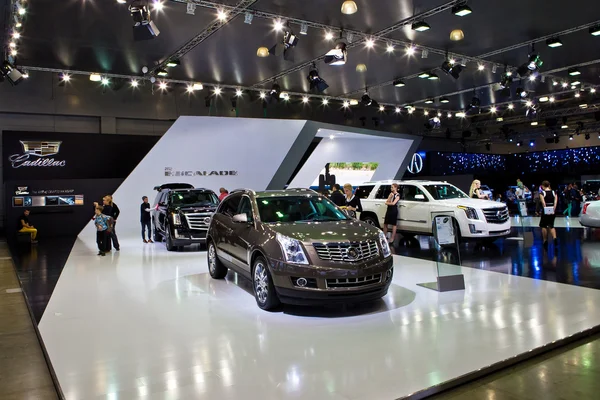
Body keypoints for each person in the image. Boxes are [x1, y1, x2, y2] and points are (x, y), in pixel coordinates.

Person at [539, 181, 557, 251]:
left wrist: (546, 210)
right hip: (552, 209)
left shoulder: (542, 193)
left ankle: (545, 240)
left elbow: (543, 203)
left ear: (543, 186)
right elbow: (555, 202)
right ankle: (555, 238)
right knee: (551, 225)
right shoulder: (554, 192)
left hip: (546, 210)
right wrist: (553, 209)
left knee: (544, 226)